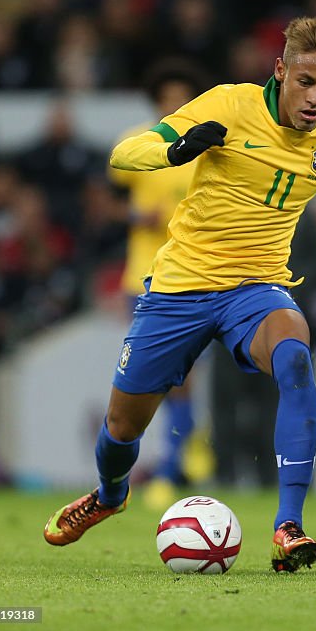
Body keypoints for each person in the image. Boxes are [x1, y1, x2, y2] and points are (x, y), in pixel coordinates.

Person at [43, 16, 316, 572]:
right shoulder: (227, 105)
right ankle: (110, 494)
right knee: (122, 427)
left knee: (295, 357)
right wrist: (177, 150)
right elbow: (125, 154)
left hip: (257, 291)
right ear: (281, 70)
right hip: (180, 288)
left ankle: (289, 526)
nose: (315, 99)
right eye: (306, 82)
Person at [107, 58, 212, 511]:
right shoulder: (136, 144)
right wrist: (136, 216)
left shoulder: (208, 147)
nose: (175, 103)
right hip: (144, 274)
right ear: (156, 102)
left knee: (182, 377)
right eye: (167, 96)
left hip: (195, 271)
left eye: (182, 96)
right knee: (161, 380)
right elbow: (104, 204)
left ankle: (173, 465)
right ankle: (182, 453)